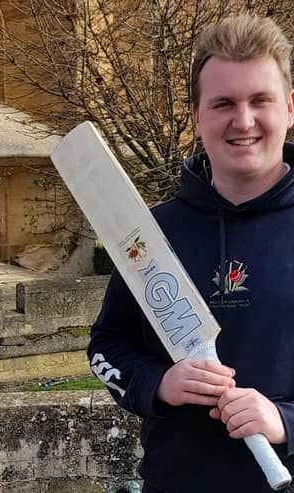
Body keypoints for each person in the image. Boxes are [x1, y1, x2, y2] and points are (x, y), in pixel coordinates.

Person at [88, 14, 294, 493]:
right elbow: (106, 349)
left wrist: (284, 420)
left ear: (288, 107)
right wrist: (159, 383)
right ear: (198, 115)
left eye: (260, 100)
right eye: (223, 103)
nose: (243, 121)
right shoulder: (151, 235)